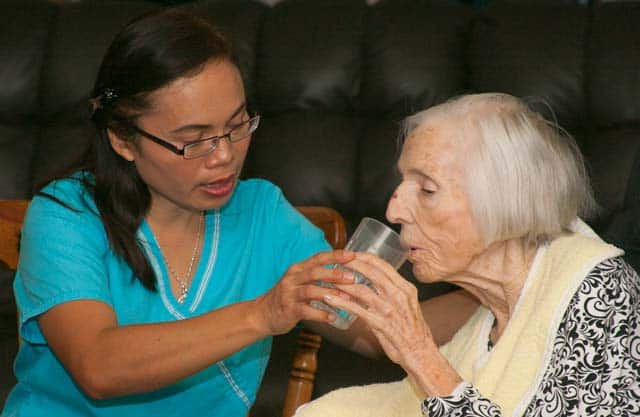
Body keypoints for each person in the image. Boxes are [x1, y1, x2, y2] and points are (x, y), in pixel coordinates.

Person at [0, 8, 479, 417]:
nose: (224, 156)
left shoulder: (262, 215)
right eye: (194, 140)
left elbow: (373, 335)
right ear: (123, 139)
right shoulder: (66, 215)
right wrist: (264, 313)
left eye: (237, 125)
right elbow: (99, 366)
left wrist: (506, 276)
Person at [295, 93, 640, 417]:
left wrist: (419, 353)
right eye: (402, 184)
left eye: (427, 189)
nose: (394, 209)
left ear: (505, 203)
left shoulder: (601, 294)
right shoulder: (491, 319)